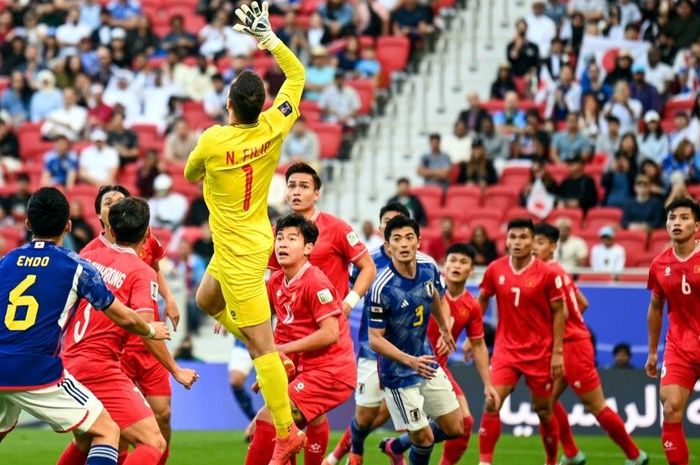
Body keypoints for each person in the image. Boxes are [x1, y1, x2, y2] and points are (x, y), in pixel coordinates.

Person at [184, 3, 308, 461]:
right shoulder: (275, 126)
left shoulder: (214, 141)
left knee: (260, 345)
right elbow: (296, 79)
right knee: (205, 301)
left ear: (231, 105)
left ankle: (285, 429)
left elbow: (188, 172)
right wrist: (269, 39)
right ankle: (279, 359)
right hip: (249, 238)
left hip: (240, 254)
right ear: (262, 105)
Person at [0, 187, 170, 465]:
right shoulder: (76, 266)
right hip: (38, 371)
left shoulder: (5, 263)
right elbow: (123, 316)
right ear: (68, 225)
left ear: (28, 224)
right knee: (107, 431)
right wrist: (152, 330)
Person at [61, 198, 198, 465]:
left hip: (68, 359)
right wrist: (175, 369)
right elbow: (146, 330)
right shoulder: (141, 272)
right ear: (147, 233)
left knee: (87, 440)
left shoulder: (90, 256)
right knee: (153, 442)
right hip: (99, 366)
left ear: (111, 229)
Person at [271, 162, 376, 464]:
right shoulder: (279, 232)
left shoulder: (337, 228)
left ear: (317, 193)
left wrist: (349, 301)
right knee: (305, 417)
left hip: (324, 334)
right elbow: (272, 280)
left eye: (304, 186)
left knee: (292, 415)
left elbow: (367, 266)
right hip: (291, 338)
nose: (296, 191)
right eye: (291, 186)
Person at [244, 214, 357, 465]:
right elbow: (263, 319)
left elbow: (329, 333)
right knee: (286, 426)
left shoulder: (315, 282)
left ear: (308, 248)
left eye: (292, 239)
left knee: (272, 418)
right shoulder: (276, 282)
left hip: (331, 372)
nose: (282, 244)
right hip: (304, 369)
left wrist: (281, 349)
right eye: (280, 238)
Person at [532, 223, 648, 465]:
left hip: (571, 347)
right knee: (545, 405)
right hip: (568, 343)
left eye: (540, 242)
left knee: (595, 405)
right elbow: (582, 303)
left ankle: (635, 456)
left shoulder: (548, 274)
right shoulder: (558, 271)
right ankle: (572, 454)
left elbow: (561, 314)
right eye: (533, 241)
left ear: (554, 246)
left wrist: (559, 335)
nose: (534, 247)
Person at [323, 202, 421, 465]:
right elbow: (351, 292)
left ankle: (367, 454)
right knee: (366, 417)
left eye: (399, 222)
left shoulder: (422, 264)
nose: (393, 226)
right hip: (372, 347)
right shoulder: (368, 261)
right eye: (388, 222)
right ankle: (351, 453)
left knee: (402, 418)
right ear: (381, 228)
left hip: (406, 352)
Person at [386, 243, 497, 465]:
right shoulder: (425, 292)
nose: (456, 266)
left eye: (463, 262)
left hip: (438, 370)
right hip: (408, 365)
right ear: (443, 266)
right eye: (452, 261)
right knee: (370, 415)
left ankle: (396, 446)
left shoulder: (472, 306)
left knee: (462, 425)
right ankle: (351, 453)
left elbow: (478, 345)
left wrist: (488, 384)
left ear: (472, 270)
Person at [367, 215, 461, 465]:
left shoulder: (429, 267)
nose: (404, 244)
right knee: (424, 439)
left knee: (455, 428)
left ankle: (395, 447)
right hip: (398, 373)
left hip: (426, 361)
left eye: (409, 237)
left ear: (418, 241)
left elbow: (435, 295)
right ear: (388, 247)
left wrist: (443, 327)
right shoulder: (381, 288)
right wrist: (410, 361)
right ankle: (403, 447)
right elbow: (375, 340)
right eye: (397, 239)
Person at [477, 218, 565, 465]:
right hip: (506, 351)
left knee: (544, 411)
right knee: (491, 402)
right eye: (512, 237)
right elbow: (482, 299)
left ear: (532, 241)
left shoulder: (547, 273)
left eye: (523, 237)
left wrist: (558, 351)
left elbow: (560, 311)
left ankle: (551, 460)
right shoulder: (495, 269)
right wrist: (473, 334)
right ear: (506, 241)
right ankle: (485, 462)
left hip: (540, 352)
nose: (517, 242)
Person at [646, 197, 700, 465]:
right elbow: (656, 307)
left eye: (684, 218)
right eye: (672, 218)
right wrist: (653, 352)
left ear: (697, 225)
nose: (677, 223)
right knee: (670, 408)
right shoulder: (658, 264)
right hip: (680, 346)